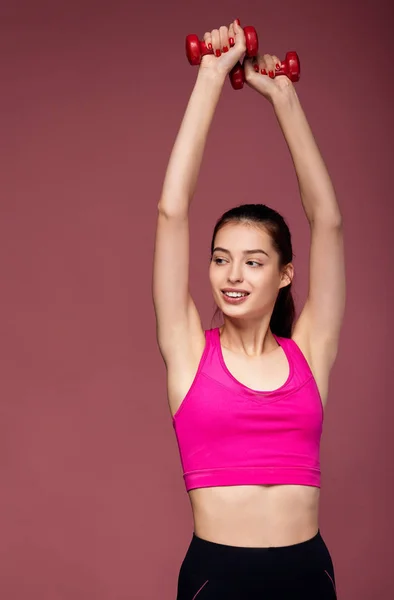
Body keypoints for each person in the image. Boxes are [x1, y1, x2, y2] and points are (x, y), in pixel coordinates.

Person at [152, 18, 345, 600]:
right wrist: (211, 76)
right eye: (221, 259)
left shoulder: (309, 352)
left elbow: (328, 220)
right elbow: (171, 211)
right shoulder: (188, 352)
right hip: (218, 577)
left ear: (287, 275)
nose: (233, 276)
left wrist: (284, 96)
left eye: (255, 262)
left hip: (308, 575)